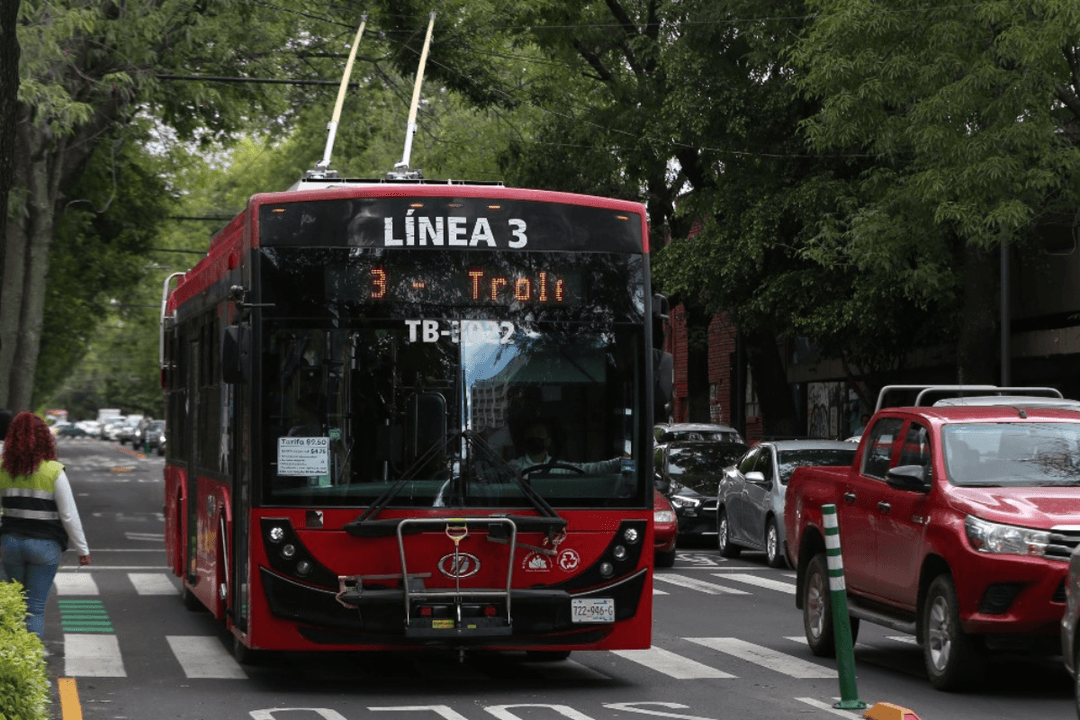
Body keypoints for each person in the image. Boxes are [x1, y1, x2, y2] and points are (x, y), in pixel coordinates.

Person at [0, 412, 91, 638]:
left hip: (10, 544)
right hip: (44, 546)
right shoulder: (53, 471)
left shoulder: (4, 470)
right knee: (35, 609)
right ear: (44, 439)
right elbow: (68, 515)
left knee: (16, 607)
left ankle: (15, 657)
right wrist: (83, 550)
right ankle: (34, 664)